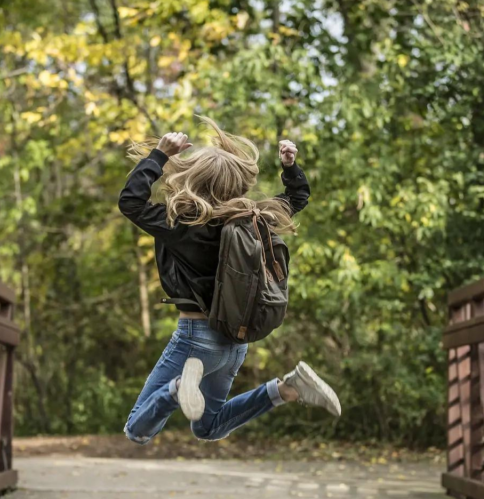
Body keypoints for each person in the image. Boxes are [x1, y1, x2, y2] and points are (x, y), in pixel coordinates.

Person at [118, 116, 341, 445]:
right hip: (235, 342)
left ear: (194, 178)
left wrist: (160, 155)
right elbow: (296, 200)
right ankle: (287, 388)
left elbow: (131, 202)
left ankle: (179, 388)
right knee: (208, 427)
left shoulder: (179, 222)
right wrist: (290, 168)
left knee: (137, 429)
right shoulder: (254, 219)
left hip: (195, 339)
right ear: (237, 182)